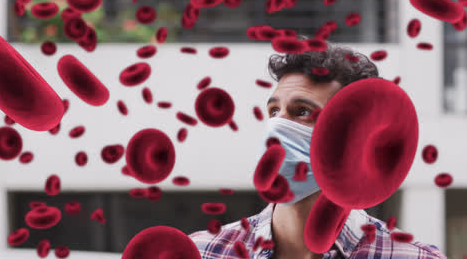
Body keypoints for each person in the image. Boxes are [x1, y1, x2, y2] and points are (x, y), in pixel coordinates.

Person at [188, 36, 447, 259]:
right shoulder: (203, 252)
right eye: (274, 111)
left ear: (355, 136)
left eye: (302, 111)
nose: (277, 127)